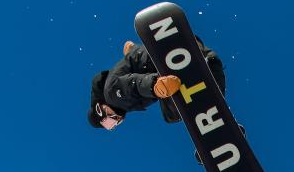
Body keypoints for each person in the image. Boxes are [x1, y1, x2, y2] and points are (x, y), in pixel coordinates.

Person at [87, 38, 226, 132]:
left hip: (161, 64)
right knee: (175, 113)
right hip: (205, 62)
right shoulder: (121, 101)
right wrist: (132, 50)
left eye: (107, 121)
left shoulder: (112, 95)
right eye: (111, 126)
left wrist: (156, 86)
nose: (114, 121)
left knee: (172, 114)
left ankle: (193, 61)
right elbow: (131, 68)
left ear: (101, 108)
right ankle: (218, 120)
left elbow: (133, 85)